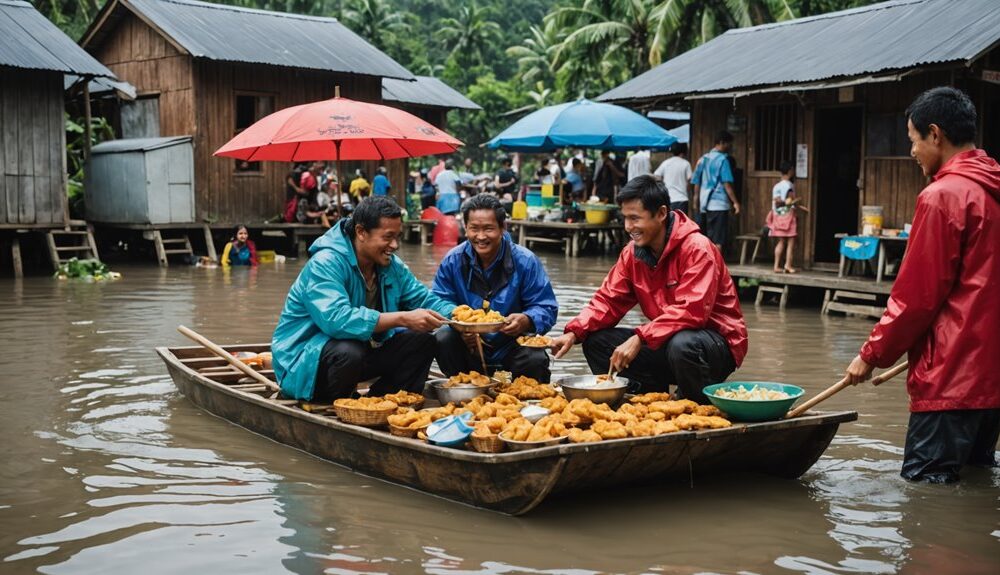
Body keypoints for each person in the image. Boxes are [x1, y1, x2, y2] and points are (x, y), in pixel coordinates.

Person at [844, 86, 1000, 484]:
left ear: (935, 134)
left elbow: (916, 298)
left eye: (913, 140)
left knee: (925, 495)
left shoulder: (943, 195)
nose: (912, 152)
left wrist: (872, 353)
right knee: (977, 482)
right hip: (991, 382)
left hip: (951, 376)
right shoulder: (992, 188)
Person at [550, 175, 747, 403]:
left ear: (661, 214)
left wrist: (640, 337)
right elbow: (608, 301)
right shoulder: (632, 254)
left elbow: (692, 312)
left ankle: (697, 404)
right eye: (625, 218)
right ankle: (646, 400)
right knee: (597, 342)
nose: (628, 227)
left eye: (635, 219)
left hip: (714, 347)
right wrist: (574, 332)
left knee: (683, 344)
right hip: (666, 339)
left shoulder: (698, 249)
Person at [271, 196, 456, 402]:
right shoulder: (325, 263)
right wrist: (402, 318)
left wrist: (462, 315)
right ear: (361, 232)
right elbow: (336, 320)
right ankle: (329, 404)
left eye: (398, 237)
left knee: (422, 341)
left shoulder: (391, 266)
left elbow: (424, 300)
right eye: (387, 237)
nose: (394, 245)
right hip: (304, 364)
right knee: (349, 350)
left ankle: (384, 403)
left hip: (357, 355)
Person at [432, 195, 558, 381]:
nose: (481, 237)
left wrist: (526, 319)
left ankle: (525, 397)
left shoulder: (526, 261)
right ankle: (463, 386)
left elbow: (546, 307)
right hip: (469, 345)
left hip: (512, 344)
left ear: (502, 228)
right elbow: (437, 301)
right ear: (465, 228)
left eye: (488, 229)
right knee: (442, 337)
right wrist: (460, 325)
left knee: (535, 357)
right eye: (474, 228)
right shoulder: (453, 260)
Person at [692, 131, 741, 249]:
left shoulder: (703, 159)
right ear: (722, 143)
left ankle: (707, 265)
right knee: (718, 239)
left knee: (707, 238)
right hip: (719, 203)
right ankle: (715, 266)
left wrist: (696, 202)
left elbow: (696, 183)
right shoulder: (723, 160)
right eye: (729, 144)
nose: (730, 147)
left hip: (705, 204)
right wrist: (735, 202)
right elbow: (727, 184)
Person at [767, 160, 798, 273]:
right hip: (788, 216)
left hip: (777, 216)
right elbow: (791, 201)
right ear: (790, 170)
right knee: (791, 241)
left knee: (781, 241)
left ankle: (776, 266)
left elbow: (775, 202)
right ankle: (788, 265)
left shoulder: (776, 186)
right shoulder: (790, 185)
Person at [653, 142, 692, 214]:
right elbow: (689, 181)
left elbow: (656, 176)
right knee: (681, 224)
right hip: (682, 199)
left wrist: (663, 186)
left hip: (669, 199)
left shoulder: (666, 163)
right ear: (684, 151)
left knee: (670, 224)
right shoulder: (686, 163)